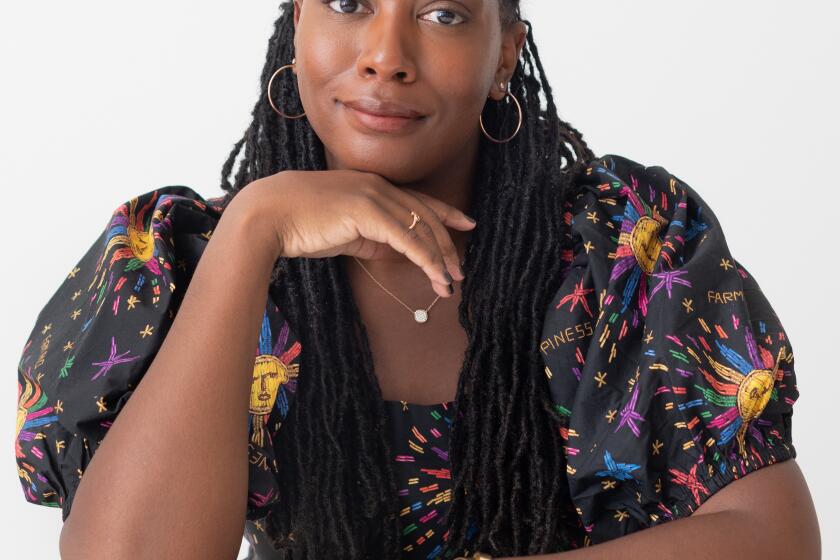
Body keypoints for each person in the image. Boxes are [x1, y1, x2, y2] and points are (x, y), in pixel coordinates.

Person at [14, 1, 820, 559]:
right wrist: (253, 231)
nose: (386, 57)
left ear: (504, 50)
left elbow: (771, 538)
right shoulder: (176, 262)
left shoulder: (620, 255)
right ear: (297, 25)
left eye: (443, 16)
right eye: (347, 3)